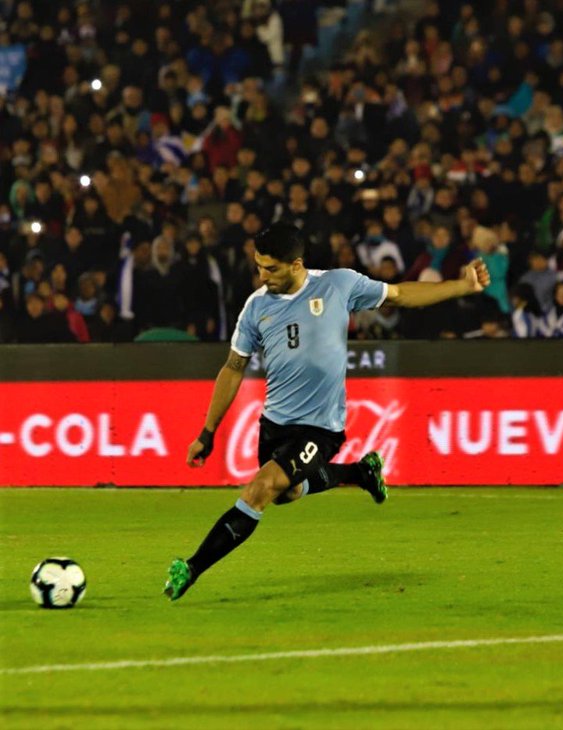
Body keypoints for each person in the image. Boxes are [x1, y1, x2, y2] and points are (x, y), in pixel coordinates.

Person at [164, 223, 490, 600]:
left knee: (260, 489)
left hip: (320, 427)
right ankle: (360, 472)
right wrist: (207, 432)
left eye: (270, 268)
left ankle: (191, 567)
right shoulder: (256, 307)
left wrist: (462, 286)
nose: (262, 276)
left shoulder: (338, 285)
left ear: (296, 264)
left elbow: (399, 294)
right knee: (288, 492)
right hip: (275, 425)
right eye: (258, 266)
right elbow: (233, 368)